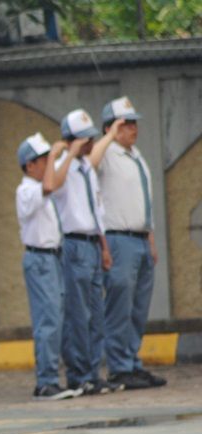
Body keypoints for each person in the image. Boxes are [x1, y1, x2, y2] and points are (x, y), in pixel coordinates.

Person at [93, 97, 167, 390]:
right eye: (127, 123)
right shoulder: (107, 153)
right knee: (119, 307)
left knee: (138, 307)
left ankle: (132, 362)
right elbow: (89, 163)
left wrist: (150, 238)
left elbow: (143, 202)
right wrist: (109, 134)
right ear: (111, 127)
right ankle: (119, 367)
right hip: (118, 238)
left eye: (134, 123)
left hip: (139, 238)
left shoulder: (135, 155)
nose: (133, 128)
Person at [52, 109, 120, 395]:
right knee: (77, 314)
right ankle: (78, 373)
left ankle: (93, 371)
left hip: (92, 243)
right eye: (83, 140)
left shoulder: (86, 170)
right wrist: (68, 153)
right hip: (74, 243)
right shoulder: (63, 167)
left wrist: (104, 247)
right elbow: (53, 185)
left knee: (96, 313)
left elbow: (98, 211)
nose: (89, 144)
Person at [16, 133, 82, 400]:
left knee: (59, 318)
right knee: (48, 321)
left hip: (53, 257)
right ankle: (46, 380)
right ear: (29, 166)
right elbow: (50, 186)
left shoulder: (42, 187)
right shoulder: (27, 190)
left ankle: (54, 377)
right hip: (40, 258)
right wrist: (57, 155)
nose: (48, 166)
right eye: (43, 161)